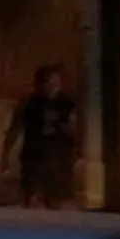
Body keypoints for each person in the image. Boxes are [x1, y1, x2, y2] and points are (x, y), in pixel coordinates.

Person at [11, 66, 78, 210]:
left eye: (55, 82)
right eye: (47, 82)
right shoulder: (28, 104)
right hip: (34, 155)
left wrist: (75, 148)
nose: (51, 86)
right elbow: (15, 127)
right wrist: (6, 151)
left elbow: (74, 127)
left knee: (55, 197)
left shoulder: (66, 103)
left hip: (58, 156)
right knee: (32, 193)